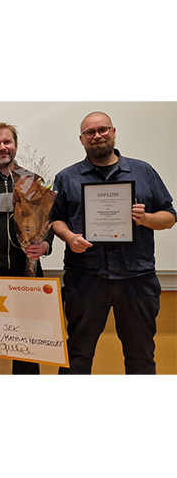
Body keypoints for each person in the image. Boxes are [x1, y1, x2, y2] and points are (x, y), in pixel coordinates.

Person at [51, 111, 176, 374]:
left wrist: (146, 219)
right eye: (90, 132)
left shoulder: (143, 171)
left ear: (114, 132)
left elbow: (169, 217)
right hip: (85, 277)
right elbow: (55, 219)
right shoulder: (67, 177)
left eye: (103, 130)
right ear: (82, 139)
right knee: (77, 356)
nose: (97, 136)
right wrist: (69, 237)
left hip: (137, 278)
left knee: (141, 356)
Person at [0, 122, 53, 375]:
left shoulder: (33, 181)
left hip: (26, 276)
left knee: (27, 349)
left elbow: (48, 222)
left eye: (7, 142)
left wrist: (45, 244)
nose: (2, 147)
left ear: (15, 145)